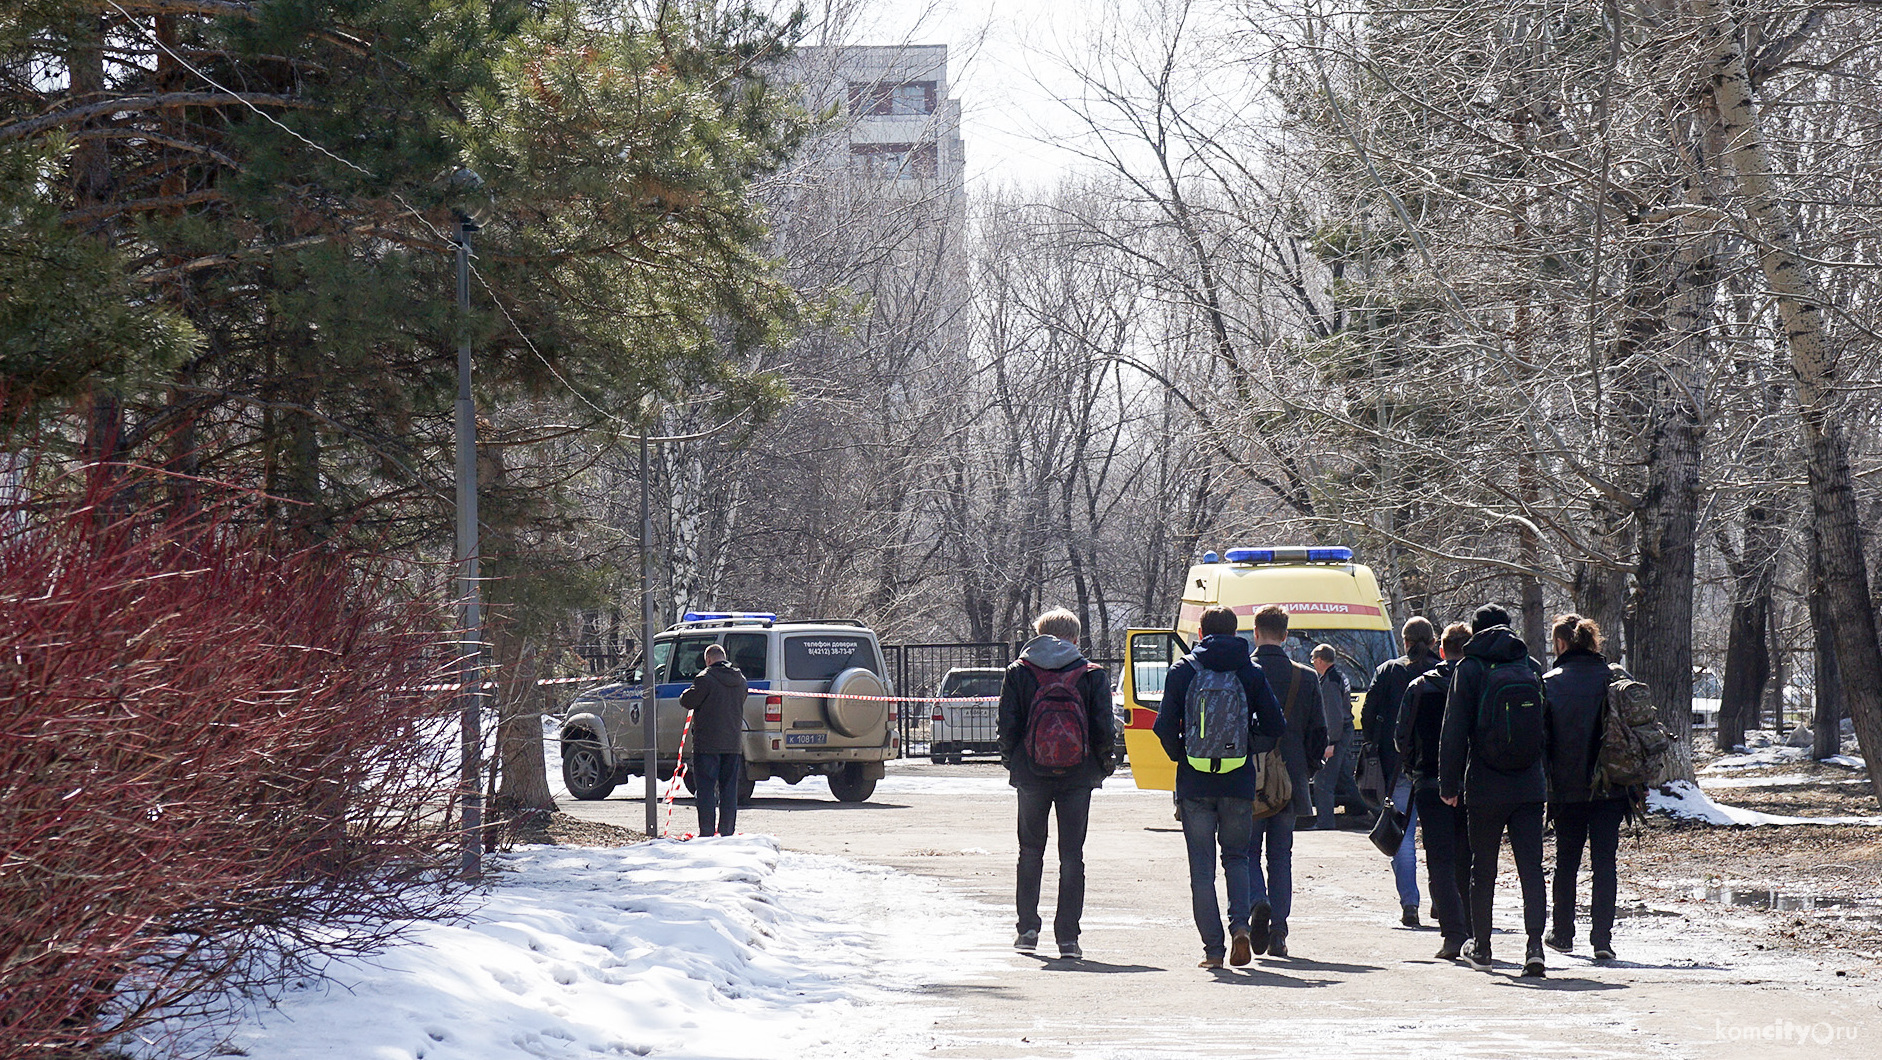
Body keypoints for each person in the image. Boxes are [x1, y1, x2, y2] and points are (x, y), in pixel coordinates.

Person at [1153, 605, 1286, 968]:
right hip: (1238, 781)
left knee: (1201, 869)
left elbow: (1163, 726)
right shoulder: (1250, 672)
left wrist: (1184, 754)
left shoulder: (1183, 670)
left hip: (1195, 782)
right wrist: (1246, 747)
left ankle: (1213, 950)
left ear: (1201, 633)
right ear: (1237, 633)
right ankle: (1240, 928)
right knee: (1237, 858)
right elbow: (1276, 725)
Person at [997, 607, 1116, 961]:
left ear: (1038, 634)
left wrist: (1014, 764)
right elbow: (1103, 729)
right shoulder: (1091, 674)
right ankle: (1068, 938)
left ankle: (1027, 931)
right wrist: (1101, 766)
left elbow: (1008, 726)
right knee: (1072, 856)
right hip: (1078, 775)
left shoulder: (1019, 672)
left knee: (1030, 851)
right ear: (1076, 638)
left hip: (1031, 773)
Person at [1440, 603, 1552, 977]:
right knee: (1530, 869)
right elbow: (1545, 728)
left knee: (1482, 866)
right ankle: (1535, 945)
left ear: (1475, 633)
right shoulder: (1531, 667)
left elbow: (1453, 729)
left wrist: (1449, 783)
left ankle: (1483, 945)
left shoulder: (1469, 668)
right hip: (1529, 784)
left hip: (1486, 784)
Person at [1543, 614, 1630, 962]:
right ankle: (1602, 940)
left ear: (1562, 644)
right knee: (1605, 862)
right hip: (1612, 787)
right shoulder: (1614, 679)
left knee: (1567, 860)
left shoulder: (1549, 682)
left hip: (1567, 789)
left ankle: (1563, 934)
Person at [1248, 604, 1326, 958]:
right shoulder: (1306, 676)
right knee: (1281, 855)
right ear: (1285, 635)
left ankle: (1256, 902)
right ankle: (1278, 931)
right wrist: (1305, 770)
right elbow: (1319, 734)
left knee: (1246, 851)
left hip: (1248, 774)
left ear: (1255, 632)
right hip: (1289, 779)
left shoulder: (1243, 672)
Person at [1396, 621, 1473, 958]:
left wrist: (1415, 768)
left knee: (1439, 859)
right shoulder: (1478, 684)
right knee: (1469, 858)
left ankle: (1453, 933)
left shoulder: (1420, 685)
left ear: (1440, 649)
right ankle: (1474, 931)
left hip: (1429, 780)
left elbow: (1402, 736)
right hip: (1473, 783)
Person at [1365, 617, 1441, 926]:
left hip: (1398, 767)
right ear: (1433, 641)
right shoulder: (1446, 672)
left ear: (1404, 640)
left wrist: (1377, 747)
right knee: (1439, 838)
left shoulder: (1388, 671)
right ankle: (1442, 898)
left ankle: (1410, 904)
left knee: (1403, 837)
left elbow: (1369, 714)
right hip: (1437, 768)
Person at [679, 643, 748, 837]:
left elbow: (688, 701)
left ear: (708, 659)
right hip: (733, 743)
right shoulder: (740, 679)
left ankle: (707, 831)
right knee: (729, 789)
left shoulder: (705, 678)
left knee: (706, 789)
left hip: (707, 744)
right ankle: (727, 831)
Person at [1310, 644, 1356, 830]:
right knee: (1344, 776)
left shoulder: (1329, 682)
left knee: (1323, 780)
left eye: (1313, 659)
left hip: (1337, 736)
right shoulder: (1338, 675)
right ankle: (1368, 812)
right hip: (1345, 731)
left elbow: (1333, 715)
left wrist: (1331, 743)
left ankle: (1325, 822)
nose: (1312, 663)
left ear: (1320, 660)